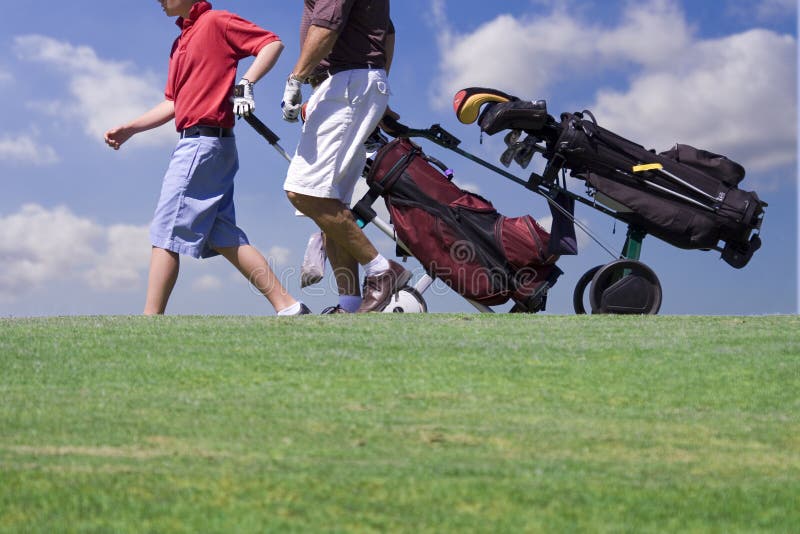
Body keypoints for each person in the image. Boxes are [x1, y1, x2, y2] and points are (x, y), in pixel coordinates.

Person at [104, 0, 310, 316]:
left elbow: (271, 44)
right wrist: (130, 128)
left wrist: (246, 84)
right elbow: (174, 102)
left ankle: (148, 321)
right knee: (224, 235)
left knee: (166, 231)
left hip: (203, 145)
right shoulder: (179, 42)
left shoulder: (216, 22)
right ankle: (290, 307)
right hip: (205, 145)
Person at [281, 0, 408, 314]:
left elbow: (327, 26)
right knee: (332, 201)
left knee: (304, 192)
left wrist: (296, 78)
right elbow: (387, 33)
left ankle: (382, 270)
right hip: (350, 84)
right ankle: (350, 304)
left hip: (348, 85)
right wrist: (378, 83)